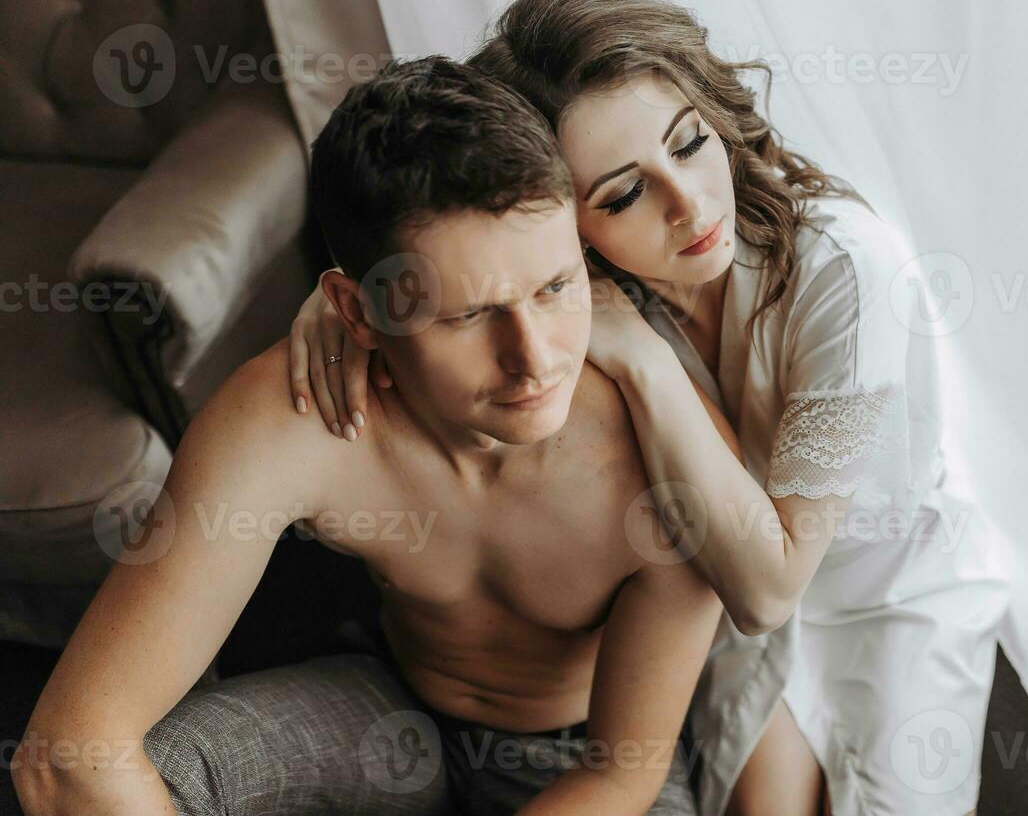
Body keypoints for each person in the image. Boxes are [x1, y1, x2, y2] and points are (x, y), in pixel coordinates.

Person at [288, 0, 1006, 816]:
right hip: (723, 603)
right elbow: (442, 232)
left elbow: (772, 587)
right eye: (624, 195)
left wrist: (642, 360)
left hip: (878, 593)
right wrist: (341, 303)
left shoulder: (847, 277)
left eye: (691, 142)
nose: (691, 203)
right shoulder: (571, 285)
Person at [14, 56, 729, 816]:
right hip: (384, 706)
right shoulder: (291, 413)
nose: (535, 359)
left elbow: (622, 777)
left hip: (582, 759)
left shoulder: (671, 454)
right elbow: (67, 755)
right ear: (355, 313)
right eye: (467, 316)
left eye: (555, 288)